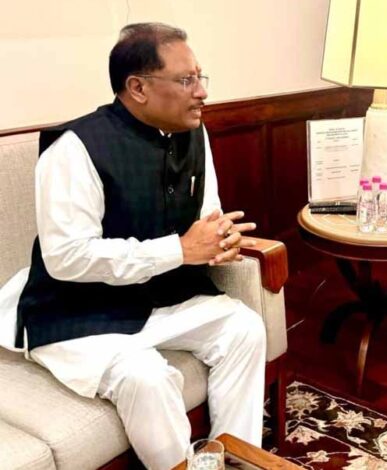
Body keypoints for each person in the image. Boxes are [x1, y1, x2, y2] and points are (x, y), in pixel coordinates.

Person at [14, 23, 267, 469]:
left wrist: (219, 240)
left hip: (160, 298)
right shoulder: (75, 149)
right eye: (186, 80)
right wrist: (180, 250)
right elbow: (66, 258)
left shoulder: (194, 133)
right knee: (147, 377)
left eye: (200, 77)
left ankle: (235, 459)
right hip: (78, 311)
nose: (202, 92)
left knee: (244, 329)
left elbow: (206, 214)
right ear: (138, 88)